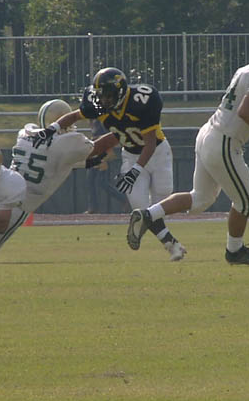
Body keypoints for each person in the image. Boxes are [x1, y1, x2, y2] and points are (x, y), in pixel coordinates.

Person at [126, 38, 249, 264]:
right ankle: (234, 251)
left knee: (200, 198)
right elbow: (246, 112)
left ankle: (148, 214)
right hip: (225, 140)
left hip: (210, 132)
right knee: (246, 202)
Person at [30, 68, 185, 260]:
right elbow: (76, 116)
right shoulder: (99, 106)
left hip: (158, 154)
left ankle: (168, 237)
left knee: (161, 202)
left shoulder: (142, 102)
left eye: (108, 95)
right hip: (131, 155)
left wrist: (135, 171)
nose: (103, 100)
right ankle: (172, 245)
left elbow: (150, 143)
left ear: (120, 91)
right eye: (100, 96)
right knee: (141, 208)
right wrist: (51, 129)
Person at [85, 118, 127, 213]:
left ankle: (123, 199)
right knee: (91, 180)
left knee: (102, 182)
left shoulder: (101, 121)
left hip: (102, 153)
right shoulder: (94, 121)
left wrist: (104, 158)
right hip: (95, 152)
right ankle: (93, 207)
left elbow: (107, 138)